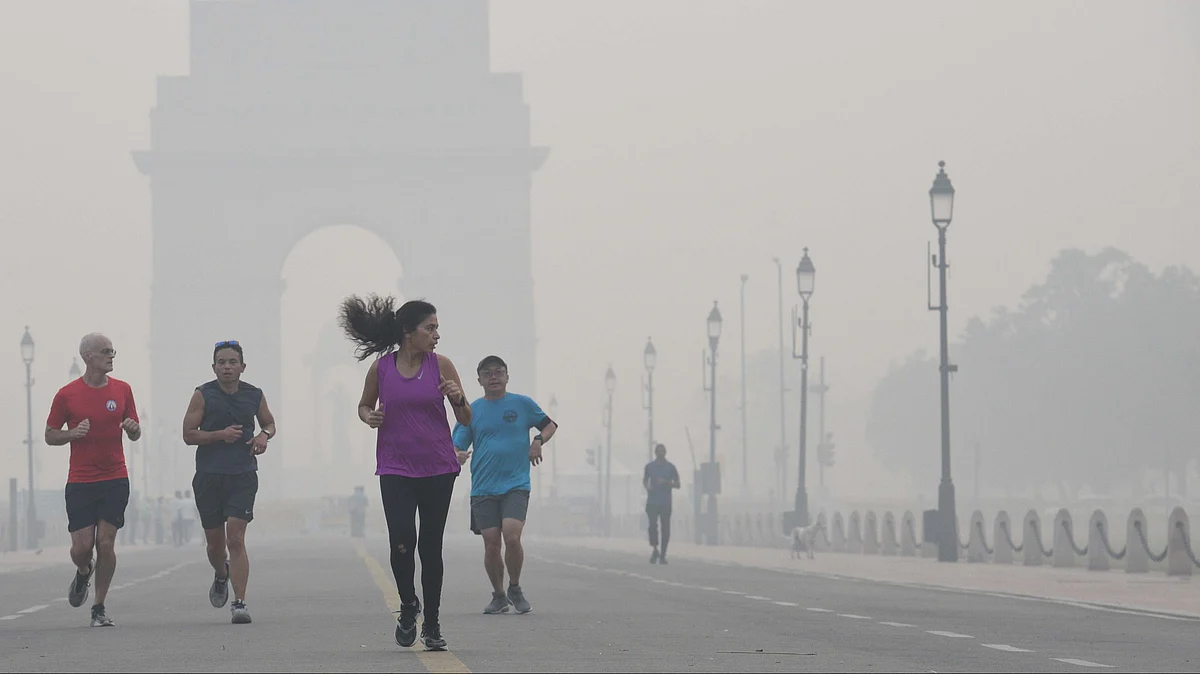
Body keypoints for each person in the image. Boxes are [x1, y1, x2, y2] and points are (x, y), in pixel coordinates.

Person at [339, 295, 471, 652]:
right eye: (430, 328)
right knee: (401, 542)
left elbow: (466, 418)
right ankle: (409, 605)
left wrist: (458, 397)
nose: (436, 335)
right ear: (408, 332)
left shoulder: (441, 365)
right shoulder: (381, 369)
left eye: (437, 328)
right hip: (395, 467)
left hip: (438, 468)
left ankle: (432, 624)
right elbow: (364, 405)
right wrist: (369, 417)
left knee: (430, 547)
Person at [44, 333, 141, 627]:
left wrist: (133, 428)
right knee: (82, 548)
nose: (111, 356)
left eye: (113, 351)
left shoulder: (123, 390)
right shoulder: (66, 395)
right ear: (88, 356)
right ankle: (84, 570)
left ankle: (98, 606)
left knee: (106, 543)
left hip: (115, 477)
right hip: (81, 480)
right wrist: (71, 434)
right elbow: (50, 435)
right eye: (105, 351)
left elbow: (135, 432)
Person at [451, 355, 557, 615]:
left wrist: (537, 441)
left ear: (507, 376)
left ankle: (515, 586)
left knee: (511, 535)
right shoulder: (472, 410)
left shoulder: (522, 404)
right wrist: (457, 455)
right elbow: (456, 445)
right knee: (491, 544)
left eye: (499, 372)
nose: (494, 377)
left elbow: (549, 425)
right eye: (488, 373)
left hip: (516, 483)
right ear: (479, 380)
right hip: (484, 488)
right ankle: (498, 595)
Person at [182, 340, 277, 625]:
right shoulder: (203, 395)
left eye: (232, 362)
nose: (227, 367)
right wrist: (218, 435)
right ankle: (221, 573)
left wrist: (264, 436)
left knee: (236, 538)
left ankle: (239, 602)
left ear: (242, 367)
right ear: (214, 367)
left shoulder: (254, 394)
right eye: (221, 362)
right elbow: (188, 435)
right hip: (209, 475)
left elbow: (270, 423)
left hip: (243, 474)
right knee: (215, 545)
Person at [643, 443, 680, 564]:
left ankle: (663, 555)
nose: (660, 453)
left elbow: (678, 484)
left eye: (662, 451)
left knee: (666, 529)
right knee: (652, 526)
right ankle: (655, 549)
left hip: (665, 502)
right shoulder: (649, 467)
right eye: (658, 451)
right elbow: (645, 480)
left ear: (665, 453)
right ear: (655, 453)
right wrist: (647, 487)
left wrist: (666, 482)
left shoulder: (671, 468)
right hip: (652, 501)